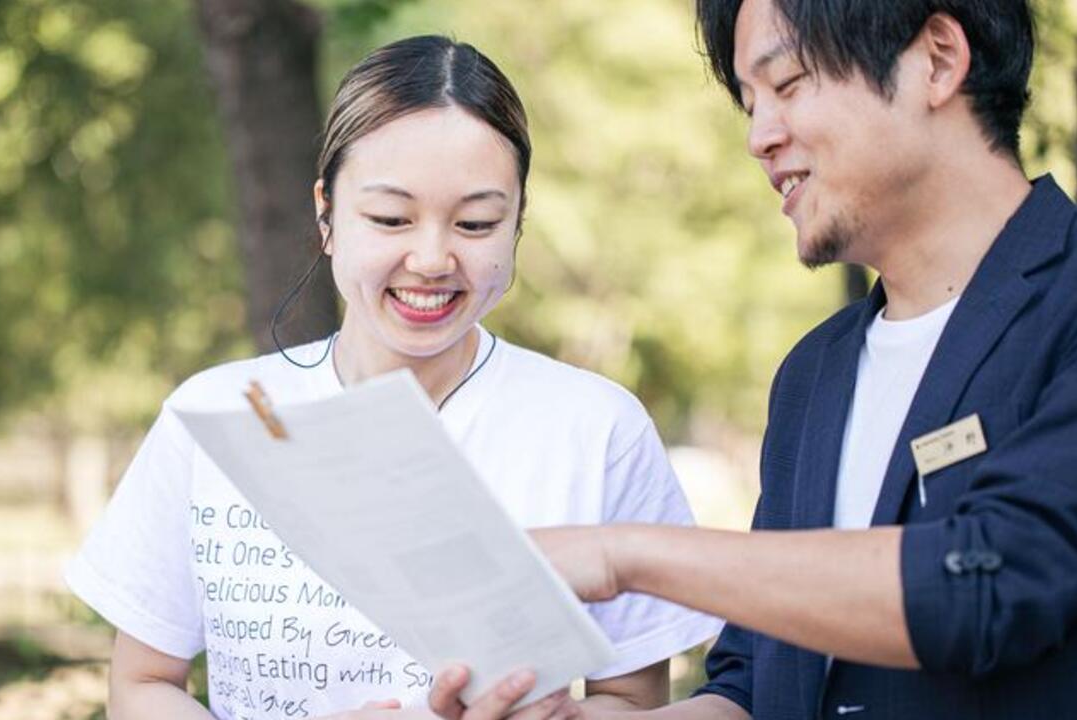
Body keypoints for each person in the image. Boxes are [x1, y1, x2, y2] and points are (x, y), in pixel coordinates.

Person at [429, 1, 1077, 719]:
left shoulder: (1065, 307)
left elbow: (998, 579)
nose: (759, 138)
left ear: (937, 59)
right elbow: (750, 686)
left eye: (789, 82)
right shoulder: (815, 374)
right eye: (749, 103)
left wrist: (623, 556)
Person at [65, 35, 721, 720]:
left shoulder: (597, 429)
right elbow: (142, 685)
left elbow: (632, 701)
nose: (432, 259)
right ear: (326, 214)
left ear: (518, 223)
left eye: (475, 222)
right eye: (390, 218)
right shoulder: (219, 416)